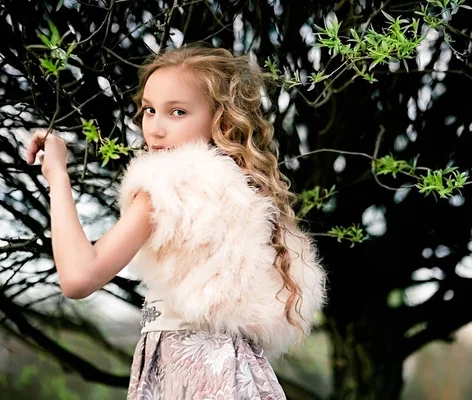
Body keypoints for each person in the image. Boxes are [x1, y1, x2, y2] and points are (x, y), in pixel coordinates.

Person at [26, 45, 327, 399]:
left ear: (222, 120)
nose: (155, 128)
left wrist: (58, 176)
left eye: (178, 112)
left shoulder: (165, 188)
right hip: (240, 371)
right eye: (149, 110)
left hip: (189, 373)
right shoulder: (240, 192)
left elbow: (78, 278)